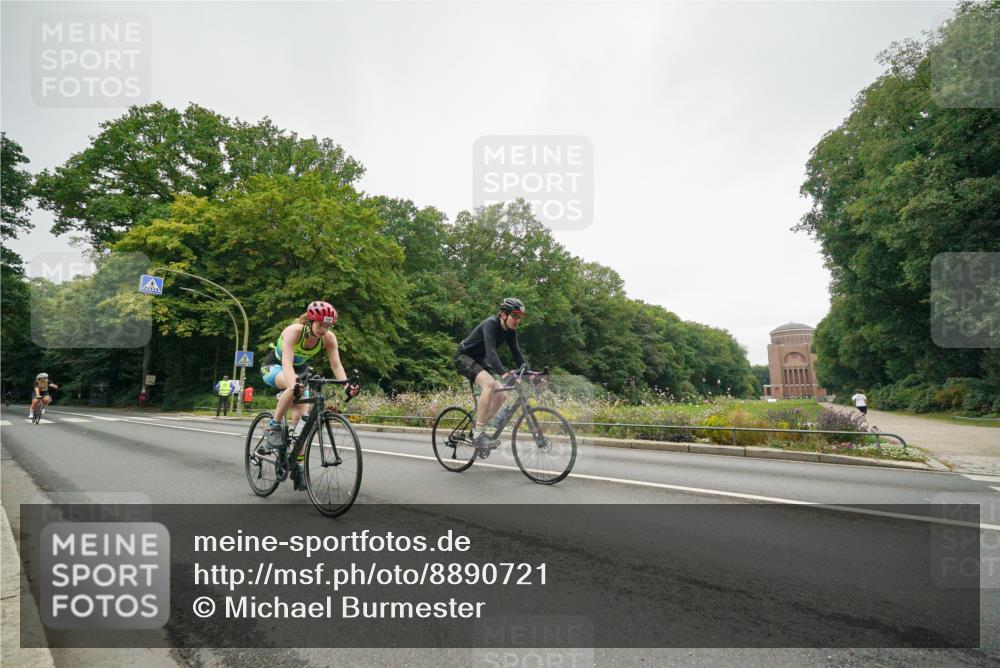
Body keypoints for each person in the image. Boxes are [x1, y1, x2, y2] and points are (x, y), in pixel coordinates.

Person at [259, 301, 359, 490]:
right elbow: (287, 363)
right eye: (321, 324)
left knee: (301, 421)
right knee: (292, 384)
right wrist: (294, 384)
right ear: (310, 321)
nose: (324, 329)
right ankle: (272, 427)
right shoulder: (294, 331)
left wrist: (346, 386)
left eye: (328, 326)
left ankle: (297, 465)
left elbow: (336, 365)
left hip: (300, 371)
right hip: (275, 366)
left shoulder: (328, 338)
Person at [454, 297, 530, 447]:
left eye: (519, 317)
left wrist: (530, 373)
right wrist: (504, 373)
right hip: (463, 357)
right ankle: (478, 434)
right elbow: (491, 353)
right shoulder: (491, 324)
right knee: (489, 385)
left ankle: (478, 427)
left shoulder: (511, 332)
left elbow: (516, 353)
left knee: (502, 395)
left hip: (478, 360)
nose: (517, 320)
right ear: (503, 314)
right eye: (514, 316)